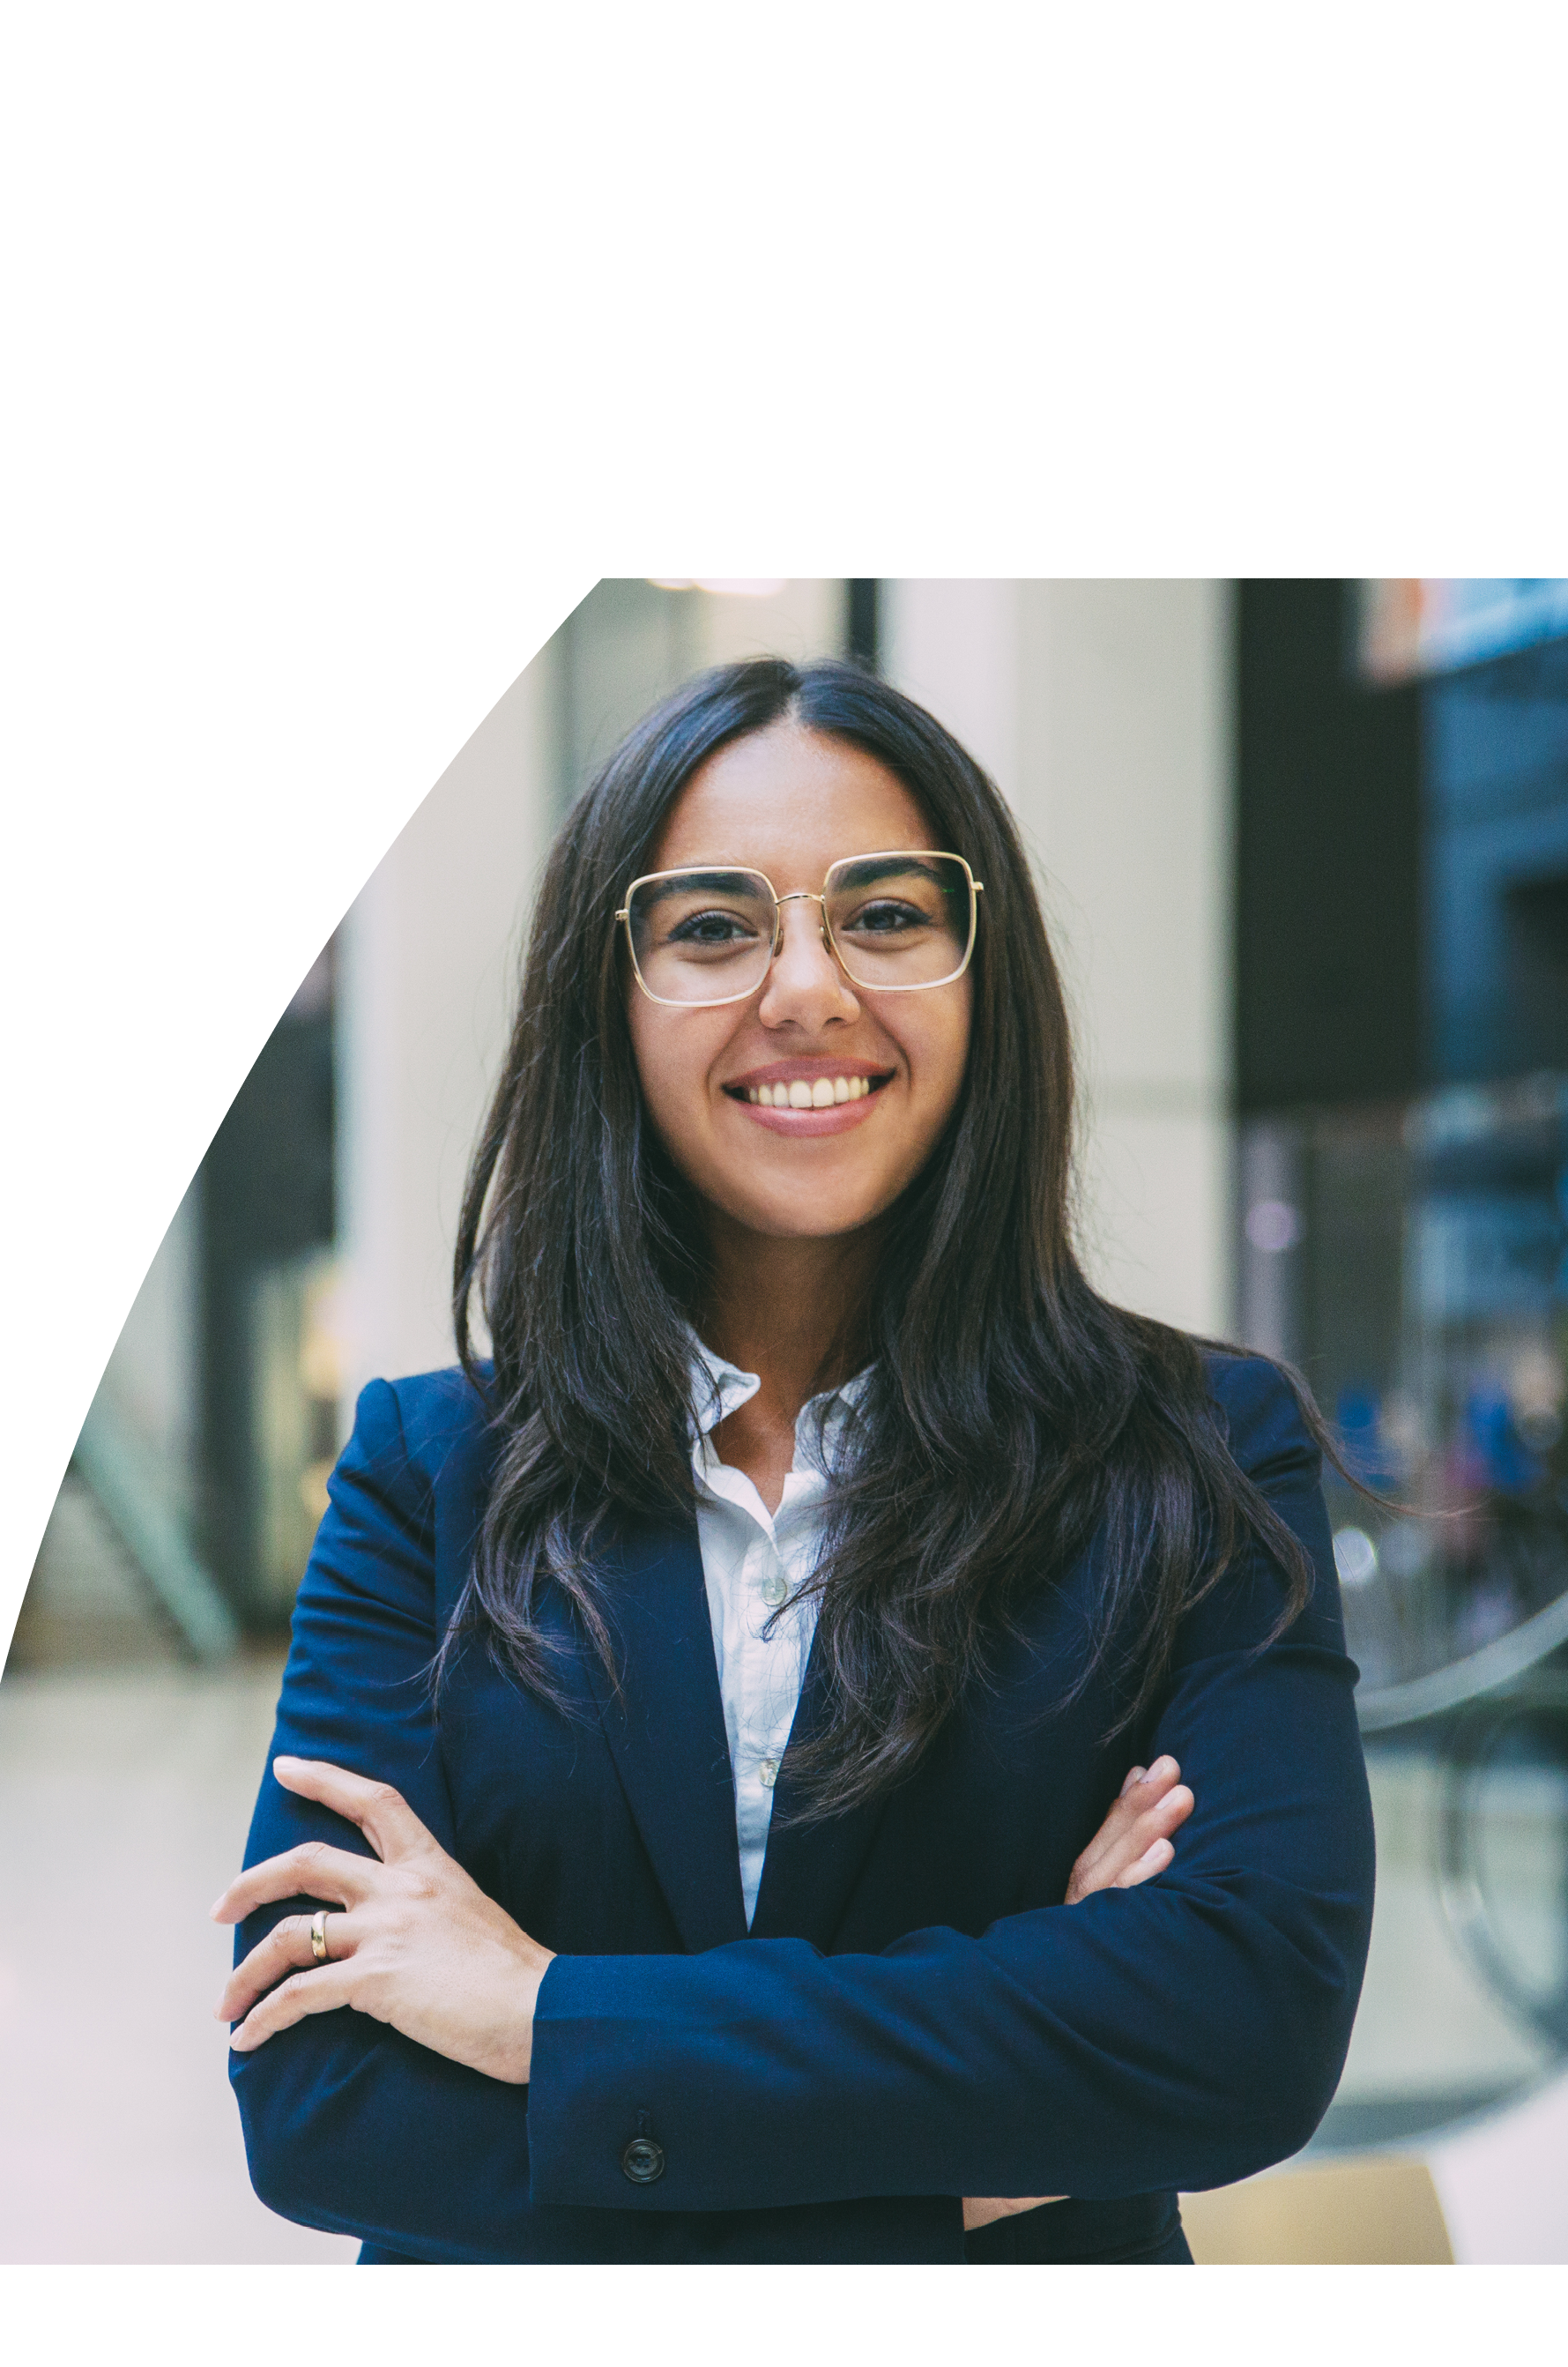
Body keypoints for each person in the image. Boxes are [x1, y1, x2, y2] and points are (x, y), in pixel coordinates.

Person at [213, 653, 1376, 2263]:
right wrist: (995, 2106)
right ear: (603, 1002)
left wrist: (541, 2011)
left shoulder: (1188, 1453)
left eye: (886, 914)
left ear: (985, 972)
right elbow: (325, 2098)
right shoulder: (434, 1470)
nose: (808, 988)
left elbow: (1244, 2023)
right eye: (712, 927)